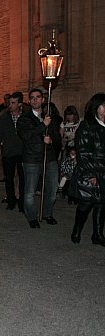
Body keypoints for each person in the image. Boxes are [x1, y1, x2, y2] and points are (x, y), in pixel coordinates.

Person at [16, 88, 62, 229]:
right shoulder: (24, 119)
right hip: (32, 159)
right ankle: (32, 217)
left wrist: (51, 140)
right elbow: (26, 136)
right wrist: (43, 126)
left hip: (49, 158)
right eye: (32, 97)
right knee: (30, 192)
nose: (35, 100)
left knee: (52, 190)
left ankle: (47, 214)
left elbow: (57, 138)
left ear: (43, 100)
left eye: (38, 97)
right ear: (29, 101)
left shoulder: (49, 118)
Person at [69, 93, 105, 245]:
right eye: (104, 106)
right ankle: (77, 229)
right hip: (90, 171)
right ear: (96, 107)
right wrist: (90, 174)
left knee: (101, 204)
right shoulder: (86, 126)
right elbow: (83, 152)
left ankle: (97, 234)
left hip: (103, 172)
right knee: (86, 203)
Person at [0, 91, 25, 211]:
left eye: (13, 103)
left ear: (19, 104)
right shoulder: (4, 116)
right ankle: (11, 201)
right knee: (9, 177)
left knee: (23, 178)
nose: (10, 105)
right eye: (9, 102)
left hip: (22, 151)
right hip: (8, 151)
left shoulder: (26, 116)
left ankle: (22, 202)